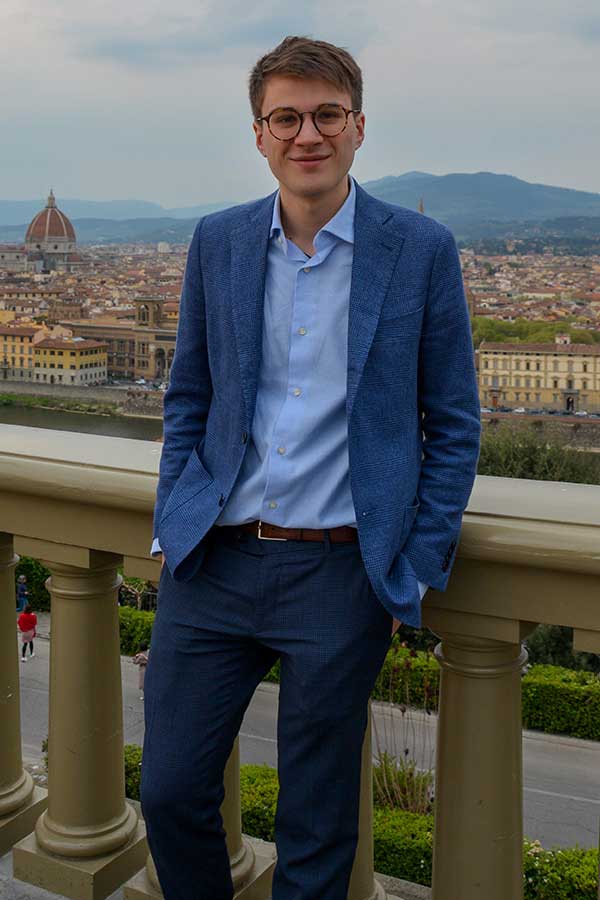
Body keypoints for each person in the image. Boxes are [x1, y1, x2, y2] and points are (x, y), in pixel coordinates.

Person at [141, 35, 480, 900]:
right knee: (171, 789)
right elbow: (189, 397)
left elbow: (454, 425)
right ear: (259, 134)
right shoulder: (216, 242)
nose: (308, 134)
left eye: (327, 115)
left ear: (359, 128)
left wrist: (408, 569)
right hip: (213, 559)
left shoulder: (421, 250)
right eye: (286, 117)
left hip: (340, 569)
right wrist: (174, 512)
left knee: (318, 829)